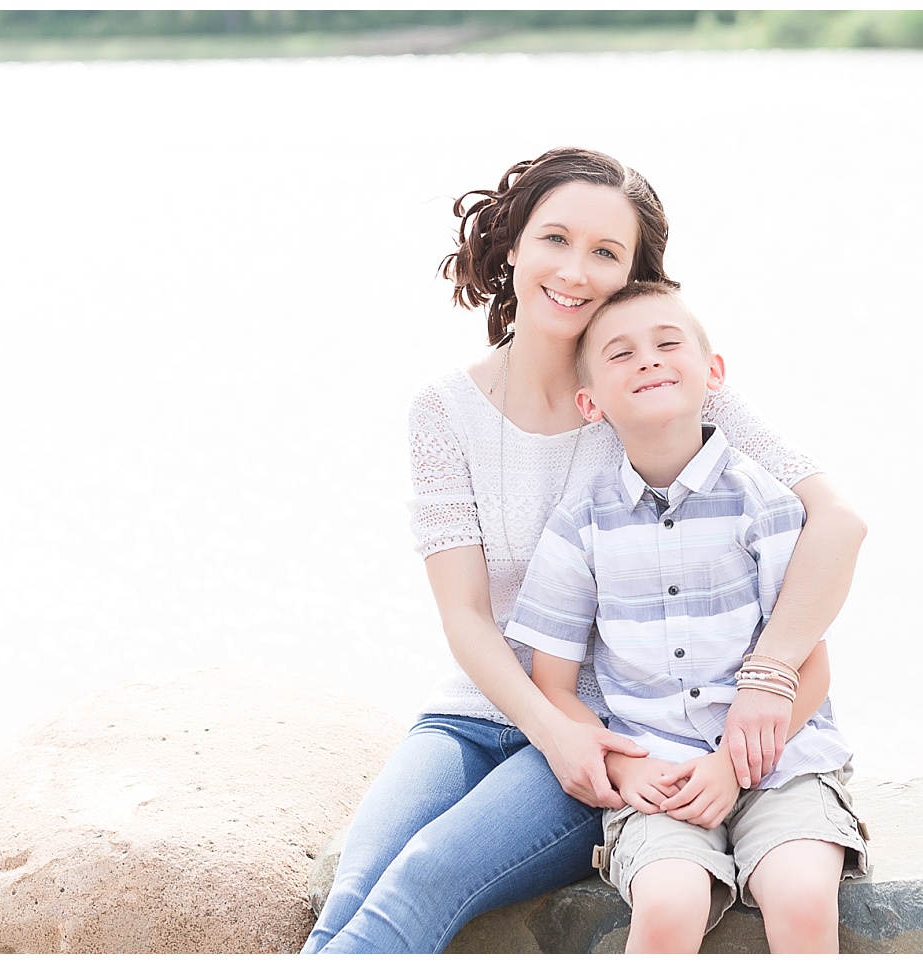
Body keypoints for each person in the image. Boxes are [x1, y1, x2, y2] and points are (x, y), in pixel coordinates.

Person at [302, 147, 866, 954]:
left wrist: (769, 680)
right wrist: (542, 725)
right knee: (355, 884)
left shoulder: (653, 385)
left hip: (615, 728)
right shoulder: (443, 411)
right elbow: (463, 613)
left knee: (424, 878)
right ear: (512, 245)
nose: (574, 270)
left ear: (636, 274)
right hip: (481, 712)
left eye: (606, 253)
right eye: (555, 239)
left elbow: (835, 520)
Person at [506, 282, 868, 953]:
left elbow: (809, 659)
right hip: (658, 768)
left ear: (713, 373)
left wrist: (733, 768)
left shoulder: (762, 500)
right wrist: (626, 770)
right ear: (591, 403)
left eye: (668, 343)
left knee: (800, 894)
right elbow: (553, 685)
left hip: (780, 761)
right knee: (669, 905)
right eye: (621, 353)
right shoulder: (582, 522)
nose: (648, 360)